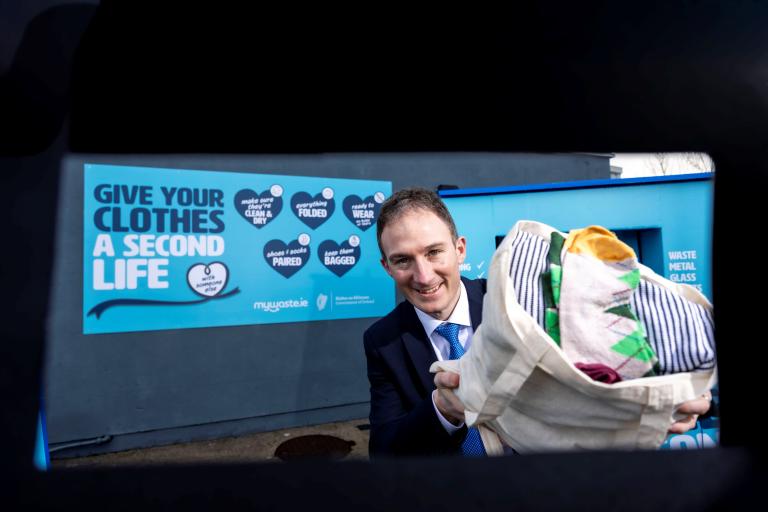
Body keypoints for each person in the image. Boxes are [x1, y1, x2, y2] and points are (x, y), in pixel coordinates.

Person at [364, 187, 712, 457]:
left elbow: (600, 359)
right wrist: (443, 410)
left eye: (434, 252)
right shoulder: (382, 340)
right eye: (403, 260)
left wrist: (668, 394)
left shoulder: (515, 296)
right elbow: (385, 451)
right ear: (387, 267)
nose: (424, 275)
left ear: (460, 249)